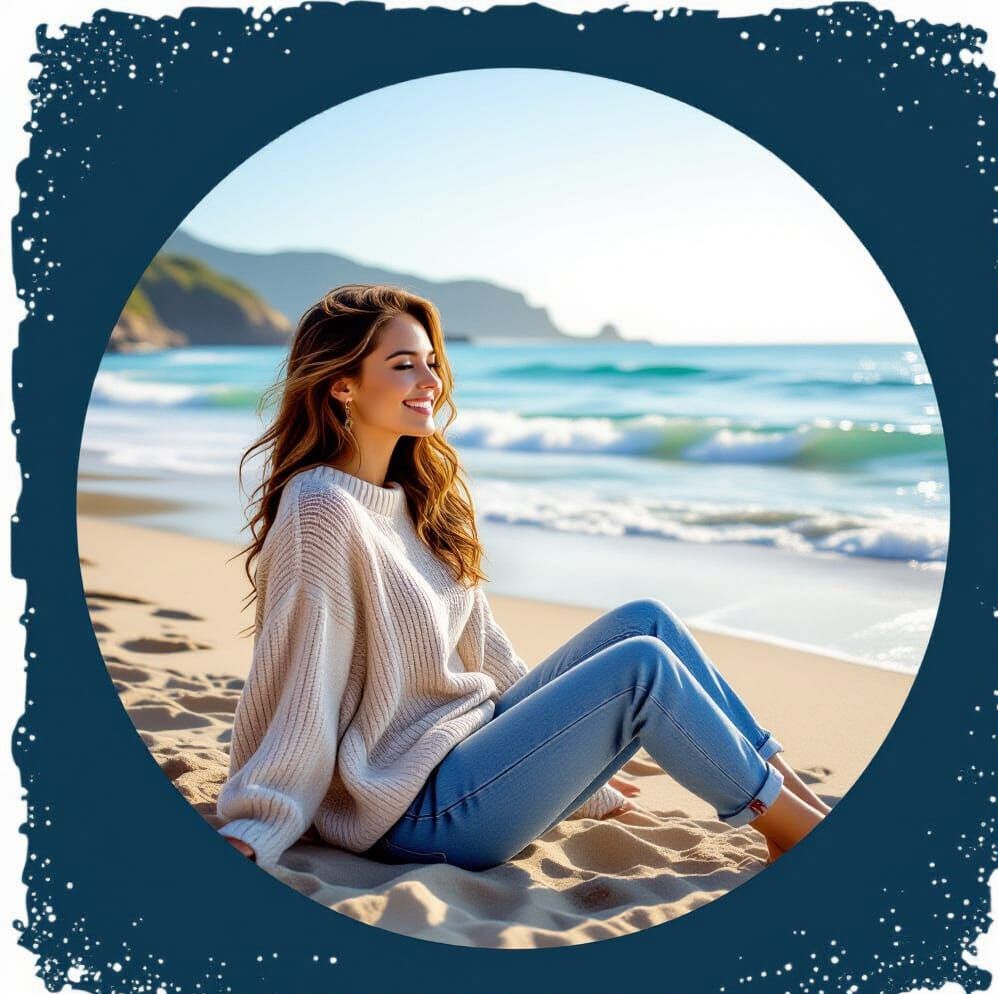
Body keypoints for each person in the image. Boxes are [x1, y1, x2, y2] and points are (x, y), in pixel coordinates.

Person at [216, 284, 830, 872]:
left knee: (647, 622)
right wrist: (261, 820)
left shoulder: (419, 499)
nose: (430, 381)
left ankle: (806, 812)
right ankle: (798, 835)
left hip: (472, 759)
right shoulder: (321, 508)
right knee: (641, 668)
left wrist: (573, 764)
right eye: (404, 364)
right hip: (417, 814)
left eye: (431, 362)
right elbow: (302, 679)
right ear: (342, 385)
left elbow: (490, 657)